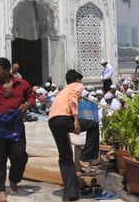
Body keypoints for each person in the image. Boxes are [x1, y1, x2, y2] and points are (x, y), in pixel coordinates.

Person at [0, 57, 35, 202]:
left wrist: (27, 105)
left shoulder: (22, 84)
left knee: (19, 156)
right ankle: (1, 190)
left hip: (16, 127)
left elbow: (31, 97)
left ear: (7, 70)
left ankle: (14, 179)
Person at [48, 69, 100, 202]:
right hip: (64, 118)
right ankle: (86, 157)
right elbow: (73, 100)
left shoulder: (62, 91)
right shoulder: (77, 86)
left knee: (65, 155)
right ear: (77, 80)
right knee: (93, 126)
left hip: (53, 122)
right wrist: (76, 120)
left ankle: (70, 193)